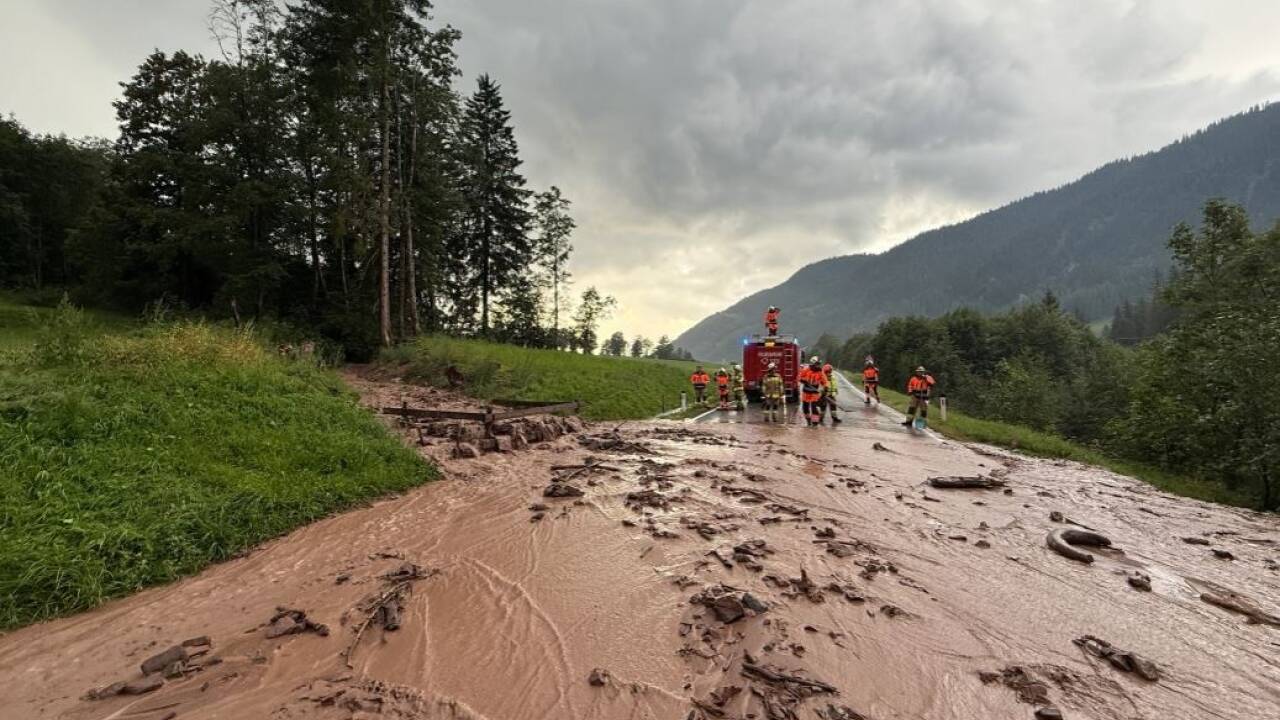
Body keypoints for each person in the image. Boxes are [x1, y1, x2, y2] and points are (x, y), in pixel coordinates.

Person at [798, 356, 828, 427]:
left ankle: (815, 423)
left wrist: (825, 390)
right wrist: (802, 380)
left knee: (814, 408)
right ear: (813, 363)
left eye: (819, 364)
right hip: (806, 392)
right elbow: (799, 376)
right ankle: (808, 421)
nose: (818, 365)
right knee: (805, 407)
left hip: (814, 393)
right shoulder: (806, 370)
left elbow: (825, 382)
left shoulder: (820, 372)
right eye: (817, 364)